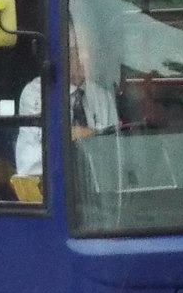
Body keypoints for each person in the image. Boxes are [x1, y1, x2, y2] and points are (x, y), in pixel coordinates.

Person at [16, 24, 117, 180]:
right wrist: (92, 135)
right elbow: (56, 139)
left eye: (89, 51)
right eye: (77, 52)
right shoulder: (37, 92)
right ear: (63, 56)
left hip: (95, 182)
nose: (86, 58)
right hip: (45, 183)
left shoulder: (102, 96)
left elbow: (113, 145)